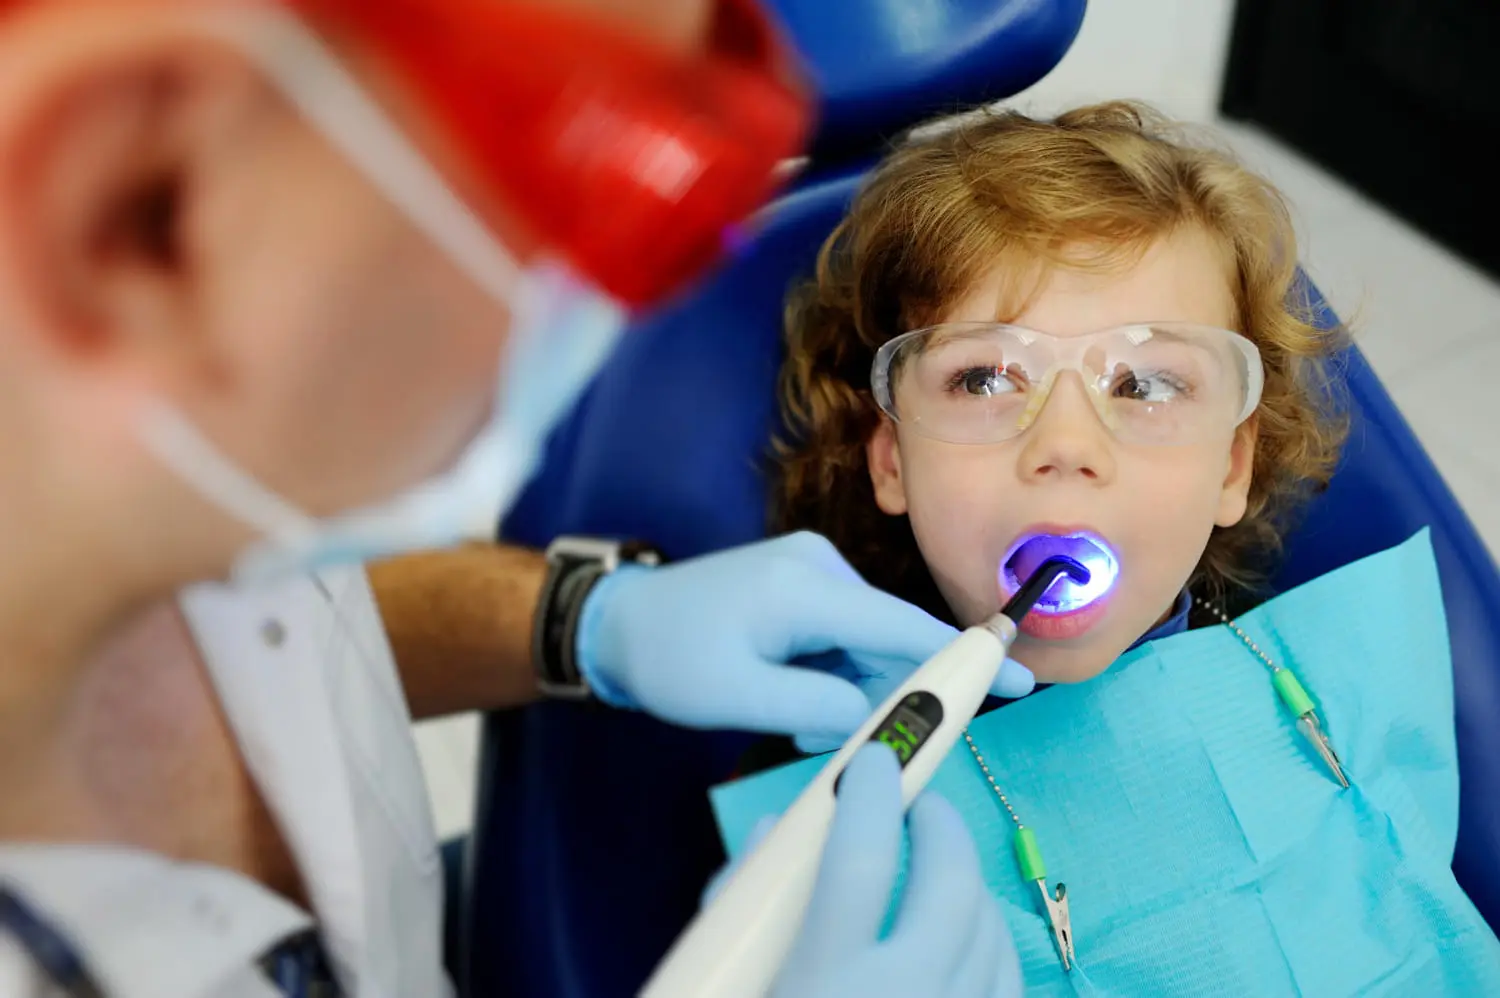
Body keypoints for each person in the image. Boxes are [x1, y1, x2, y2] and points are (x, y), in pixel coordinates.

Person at [0, 1, 1029, 996]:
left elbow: (305, 634)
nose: (635, 296)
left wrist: (581, 620)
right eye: (609, 176)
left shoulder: (167, 483)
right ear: (135, 196)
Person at [751, 99, 1500, 991]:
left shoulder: (1308, 680)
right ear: (893, 460)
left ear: (1230, 463)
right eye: (986, 376)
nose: (1065, 443)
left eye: (1144, 381)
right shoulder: (830, 778)